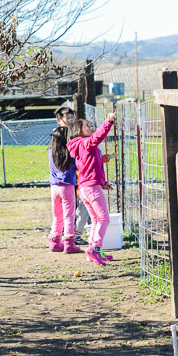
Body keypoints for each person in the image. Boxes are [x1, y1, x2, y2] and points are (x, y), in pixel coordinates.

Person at [67, 112, 117, 266]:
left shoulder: (81, 145)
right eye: (86, 126)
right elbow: (97, 138)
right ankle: (96, 247)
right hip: (91, 188)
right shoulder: (85, 143)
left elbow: (93, 167)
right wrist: (108, 122)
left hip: (86, 186)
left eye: (90, 125)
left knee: (95, 219)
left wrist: (102, 182)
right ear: (78, 130)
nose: (90, 128)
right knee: (104, 219)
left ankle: (92, 251)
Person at [54, 106, 90, 245]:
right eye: (67, 118)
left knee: (76, 208)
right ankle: (69, 238)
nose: (70, 120)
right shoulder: (58, 136)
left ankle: (71, 236)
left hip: (77, 177)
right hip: (66, 179)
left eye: (71, 117)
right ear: (59, 120)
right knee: (69, 210)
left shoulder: (76, 133)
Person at [47, 126, 81, 253]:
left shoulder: (50, 151)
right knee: (69, 216)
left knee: (57, 216)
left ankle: (55, 242)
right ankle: (69, 244)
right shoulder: (71, 152)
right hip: (67, 187)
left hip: (54, 187)